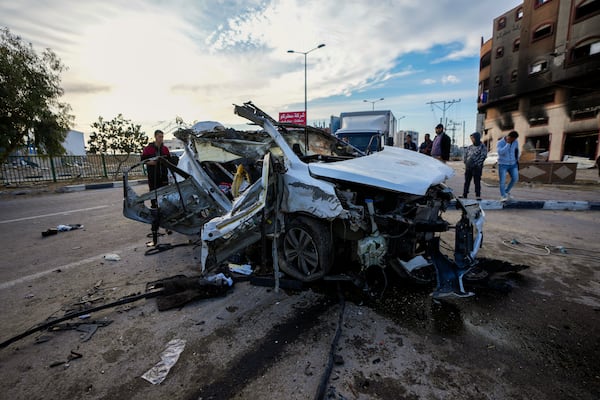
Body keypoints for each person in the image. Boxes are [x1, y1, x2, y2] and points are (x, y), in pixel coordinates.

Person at [141, 129, 171, 208]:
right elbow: (143, 160)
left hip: (163, 175)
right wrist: (151, 163)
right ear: (155, 137)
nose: (161, 139)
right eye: (159, 137)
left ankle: (166, 208)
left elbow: (169, 160)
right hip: (153, 176)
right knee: (154, 194)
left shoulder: (165, 149)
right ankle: (154, 207)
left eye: (162, 137)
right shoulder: (148, 149)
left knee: (165, 193)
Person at [460, 132, 487, 200]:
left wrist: (477, 164)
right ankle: (464, 194)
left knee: (477, 181)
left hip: (477, 168)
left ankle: (478, 195)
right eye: (471, 138)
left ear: (477, 138)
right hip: (468, 167)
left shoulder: (482, 147)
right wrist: (465, 162)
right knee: (467, 181)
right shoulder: (470, 147)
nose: (472, 140)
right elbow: (465, 155)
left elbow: (483, 156)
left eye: (473, 138)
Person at [497, 130, 520, 201]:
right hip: (503, 164)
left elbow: (516, 151)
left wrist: (517, 160)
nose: (514, 140)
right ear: (509, 137)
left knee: (515, 178)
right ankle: (503, 196)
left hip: (513, 164)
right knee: (502, 181)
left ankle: (506, 192)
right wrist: (508, 144)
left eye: (515, 139)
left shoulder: (515, 142)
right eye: (513, 139)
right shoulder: (500, 142)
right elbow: (500, 152)